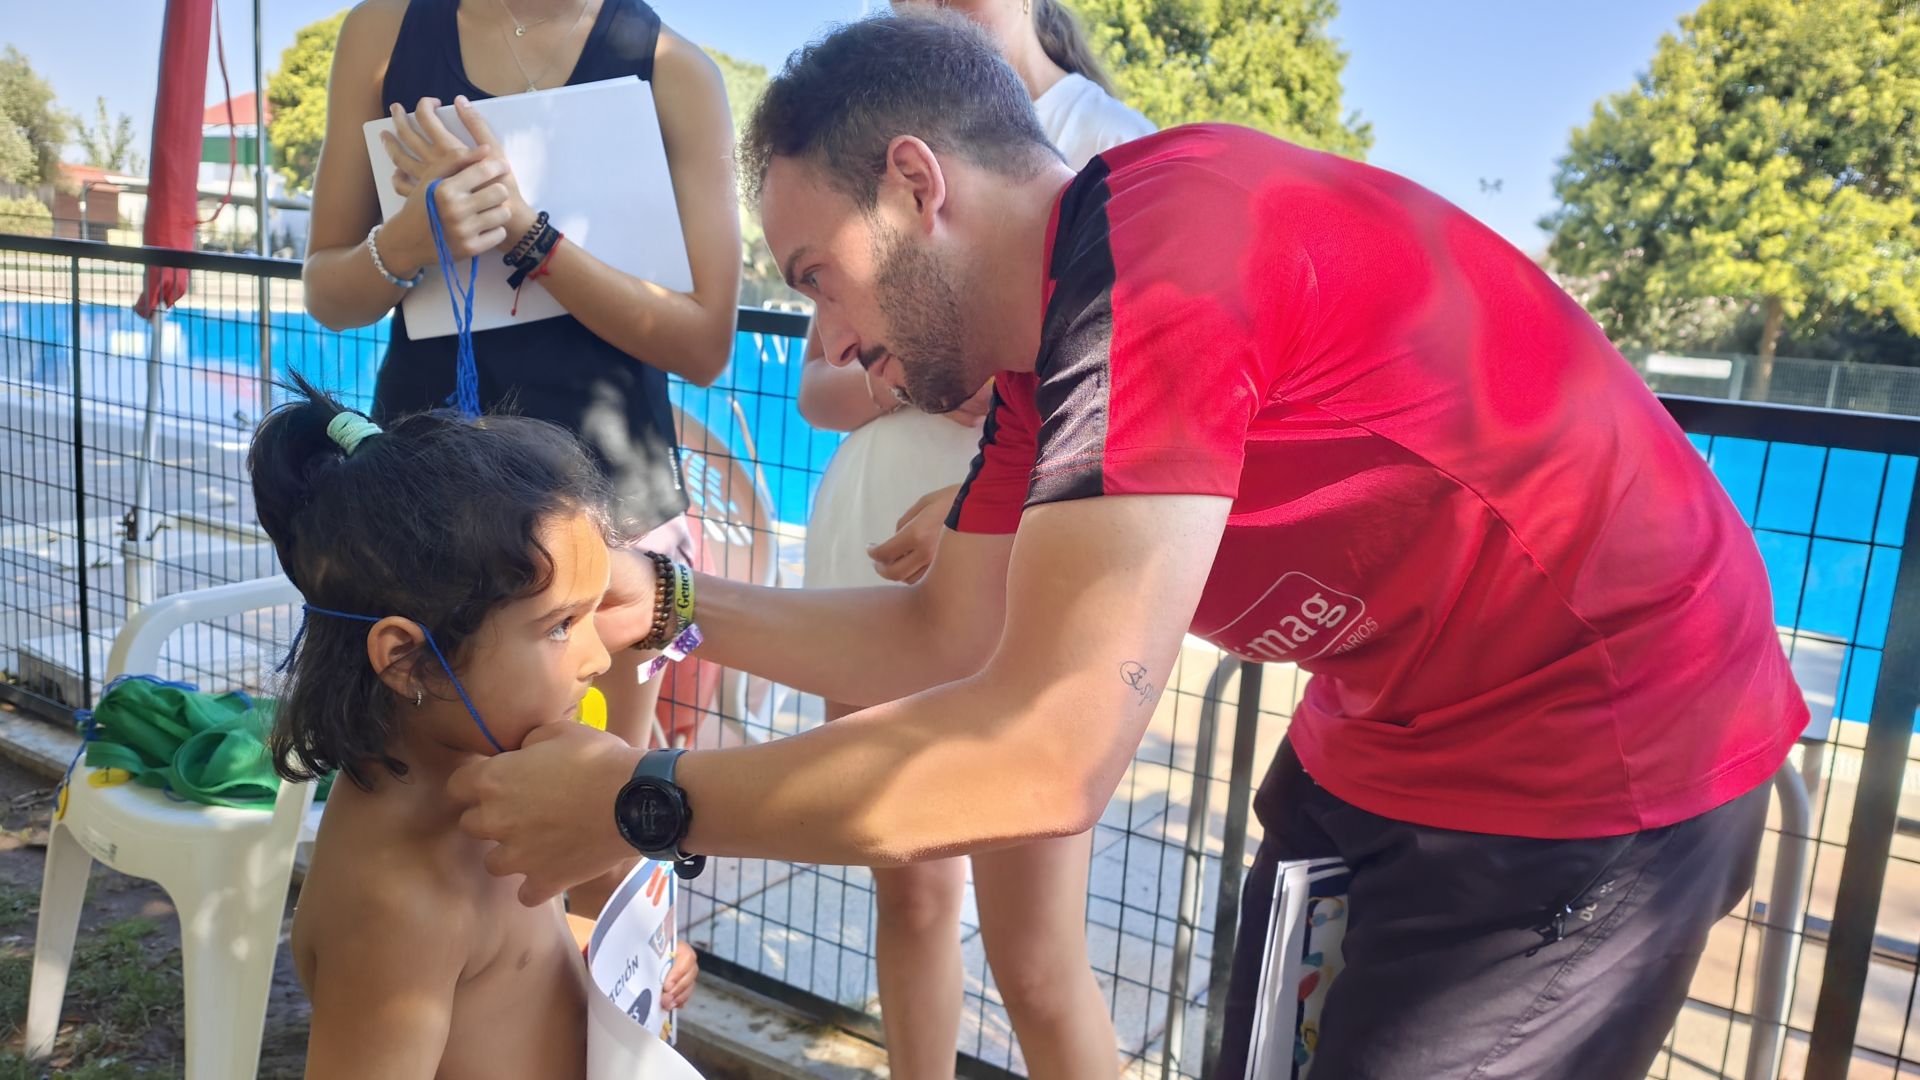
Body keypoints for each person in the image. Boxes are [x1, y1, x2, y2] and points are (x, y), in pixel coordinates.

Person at [447, 12, 1807, 1079]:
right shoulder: (1039, 363)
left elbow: (1045, 754)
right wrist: (669, 594)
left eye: (815, 278)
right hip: (1382, 725)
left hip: (1602, 745)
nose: (833, 343)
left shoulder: (1168, 249)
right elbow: (937, 638)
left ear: (917, 186)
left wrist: (643, 799)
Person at [299, 0, 741, 914]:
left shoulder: (674, 72)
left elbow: (704, 341)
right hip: (427, 514)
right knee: (408, 820)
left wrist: (532, 240)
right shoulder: (383, 31)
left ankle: (587, 1040)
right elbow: (329, 292)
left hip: (606, 519)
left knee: (594, 848)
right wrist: (406, 243)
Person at [793, 1, 1151, 1074]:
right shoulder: (864, 160)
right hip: (893, 532)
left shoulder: (1111, 151)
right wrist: (910, 370)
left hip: (1031, 544)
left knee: (1033, 948)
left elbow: (1108, 400)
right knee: (901, 873)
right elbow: (823, 378)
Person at [251, 375, 697, 1078]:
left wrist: (615, 954)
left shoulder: (489, 788)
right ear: (411, 661)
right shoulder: (399, 906)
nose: (597, 655)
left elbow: (505, 969)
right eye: (558, 628)